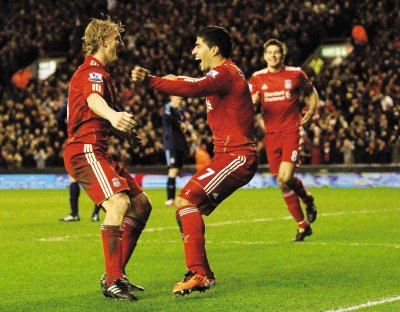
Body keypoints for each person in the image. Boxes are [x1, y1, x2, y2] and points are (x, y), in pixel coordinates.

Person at [132, 26, 258, 296]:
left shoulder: (225, 72)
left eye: (198, 46)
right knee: (185, 206)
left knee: (186, 200)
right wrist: (174, 78)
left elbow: (195, 86)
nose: (193, 51)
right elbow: (193, 80)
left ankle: (198, 273)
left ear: (214, 50)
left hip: (237, 155)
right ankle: (204, 274)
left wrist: (152, 80)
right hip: (227, 156)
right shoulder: (223, 74)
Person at [64, 17, 152, 301]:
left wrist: (124, 133)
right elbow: (93, 101)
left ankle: (116, 275)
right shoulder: (92, 70)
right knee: (119, 202)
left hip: (99, 149)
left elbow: (95, 108)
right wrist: (114, 115)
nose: (120, 44)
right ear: (102, 41)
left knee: (141, 205)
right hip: (84, 149)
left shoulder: (101, 73)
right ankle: (113, 280)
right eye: (116, 39)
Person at [249, 39, 319, 242]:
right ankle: (303, 225)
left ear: (283, 55)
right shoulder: (257, 78)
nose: (273, 56)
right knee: (281, 182)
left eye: (276, 52)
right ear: (264, 56)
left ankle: (307, 199)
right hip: (271, 135)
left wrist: (312, 110)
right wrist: (251, 105)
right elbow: (251, 101)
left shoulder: (295, 74)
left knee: (286, 177)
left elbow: (312, 92)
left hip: (291, 131)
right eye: (269, 53)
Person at [57, 102, 102, 222]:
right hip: (95, 140)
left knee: (74, 177)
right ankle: (95, 214)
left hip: (75, 141)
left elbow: (59, 118)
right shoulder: (97, 98)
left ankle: (74, 213)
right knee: (97, 177)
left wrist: (67, 133)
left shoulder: (71, 101)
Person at [162, 95, 188, 206]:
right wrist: (180, 123)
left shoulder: (180, 111)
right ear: (171, 98)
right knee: (172, 170)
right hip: (171, 143)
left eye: (181, 99)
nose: (180, 101)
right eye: (178, 98)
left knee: (177, 170)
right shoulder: (168, 107)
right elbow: (167, 117)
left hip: (179, 144)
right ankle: (170, 199)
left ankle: (172, 198)